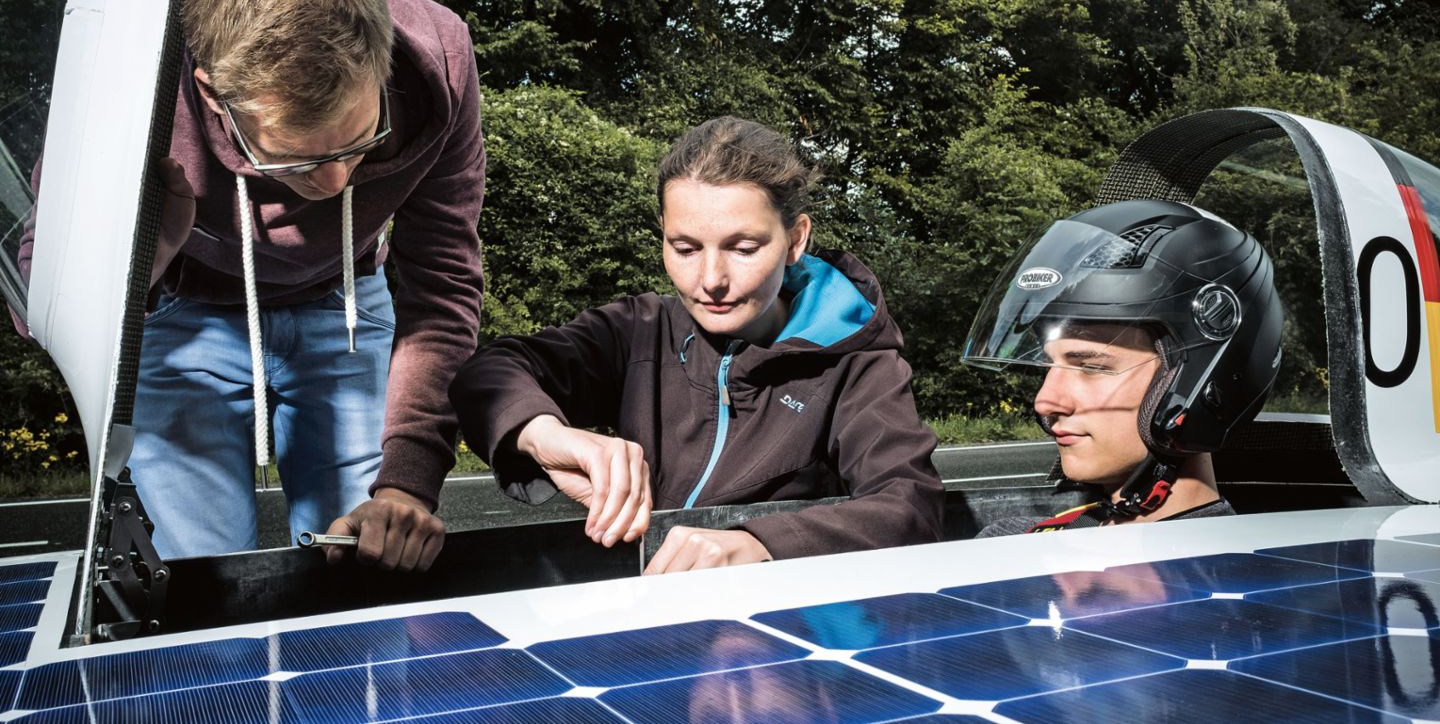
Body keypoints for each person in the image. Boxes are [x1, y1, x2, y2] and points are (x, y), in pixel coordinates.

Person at [105, 0, 483, 568]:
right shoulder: (138, 74)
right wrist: (147, 258)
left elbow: (443, 285)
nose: (338, 184)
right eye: (298, 162)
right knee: (205, 583)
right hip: (185, 308)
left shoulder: (441, 62)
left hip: (348, 302)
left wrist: (404, 484)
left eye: (360, 140)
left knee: (364, 568)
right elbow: (43, 294)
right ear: (213, 95)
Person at [450, 116, 943, 572]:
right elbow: (491, 372)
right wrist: (543, 434)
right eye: (685, 249)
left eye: (744, 248)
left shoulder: (858, 361)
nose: (711, 280)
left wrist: (762, 544)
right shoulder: (638, 328)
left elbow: (909, 504)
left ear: (796, 240)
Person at [961, 199, 1284, 536]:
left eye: (1091, 368)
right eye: (1048, 366)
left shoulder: (1234, 574)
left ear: (1199, 384)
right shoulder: (1013, 540)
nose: (1045, 401)